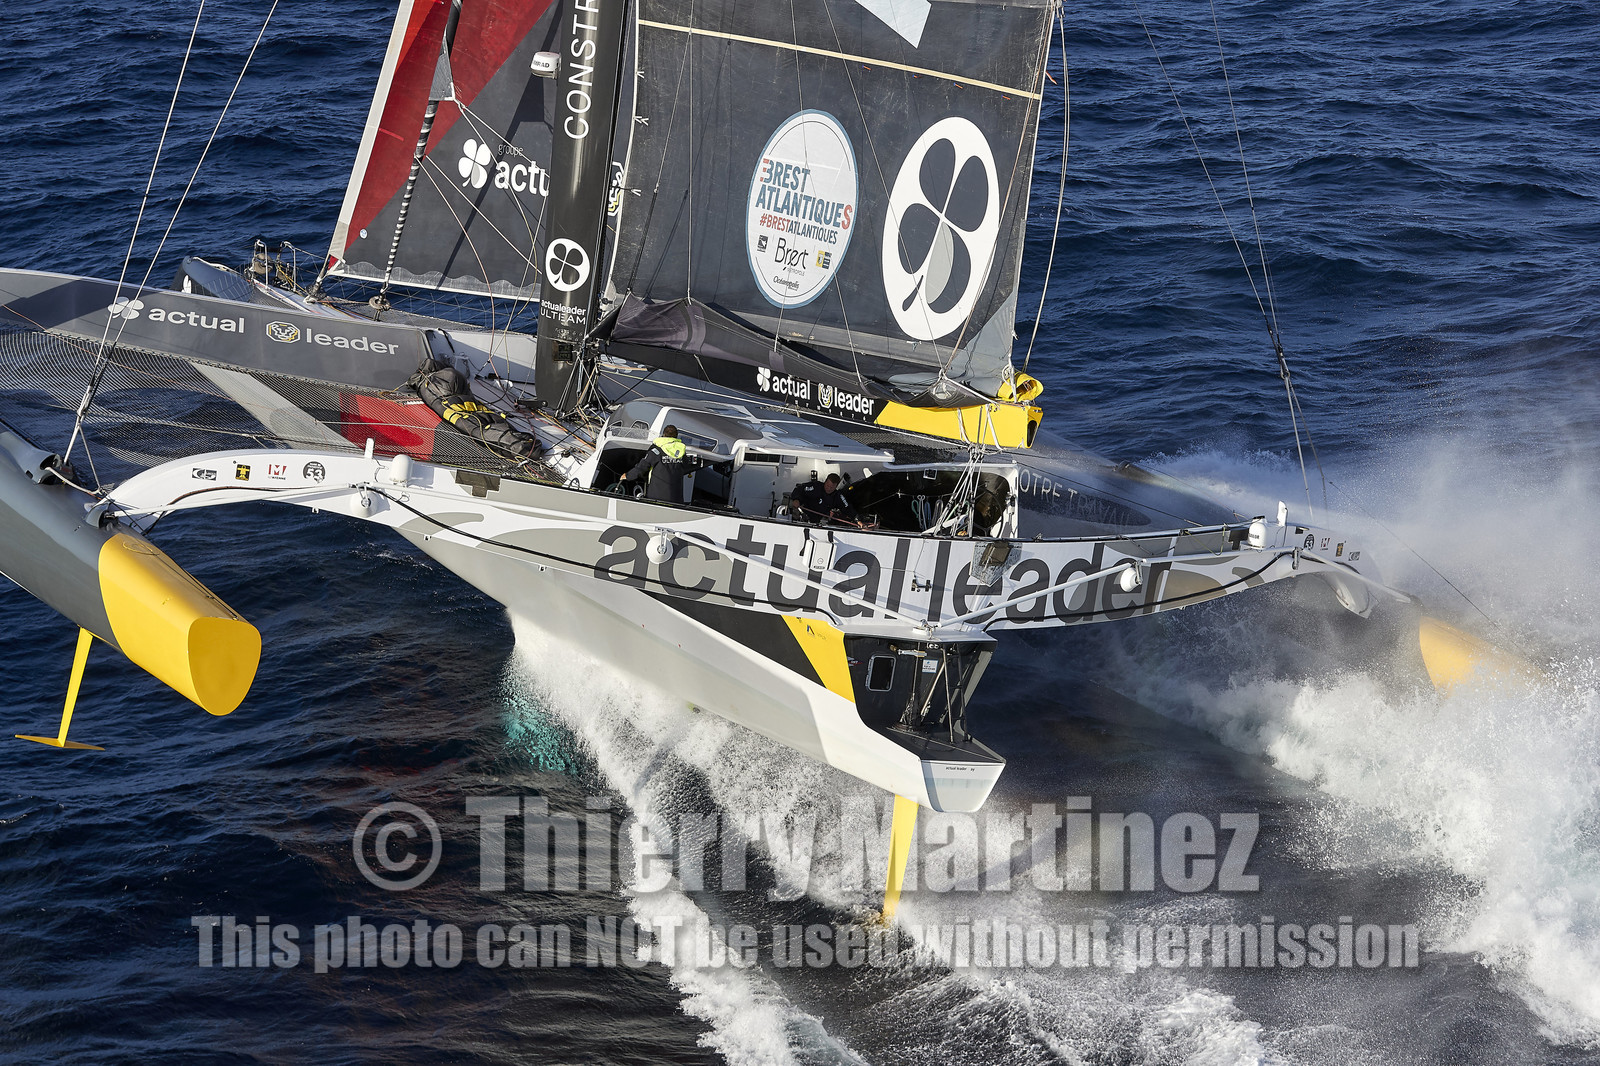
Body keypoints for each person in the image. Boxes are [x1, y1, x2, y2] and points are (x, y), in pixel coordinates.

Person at [620, 424, 692, 503]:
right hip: (675, 498)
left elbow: (642, 467)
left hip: (656, 497)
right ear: (676, 437)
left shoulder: (656, 452)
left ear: (663, 435)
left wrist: (627, 476)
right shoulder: (681, 453)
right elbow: (686, 466)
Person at [790, 473, 871, 527]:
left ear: (836, 487)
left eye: (832, 487)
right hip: (803, 512)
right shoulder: (816, 487)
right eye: (827, 485)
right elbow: (800, 488)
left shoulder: (838, 496)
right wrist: (796, 499)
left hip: (818, 521)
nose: (828, 488)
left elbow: (847, 508)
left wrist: (858, 520)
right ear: (825, 482)